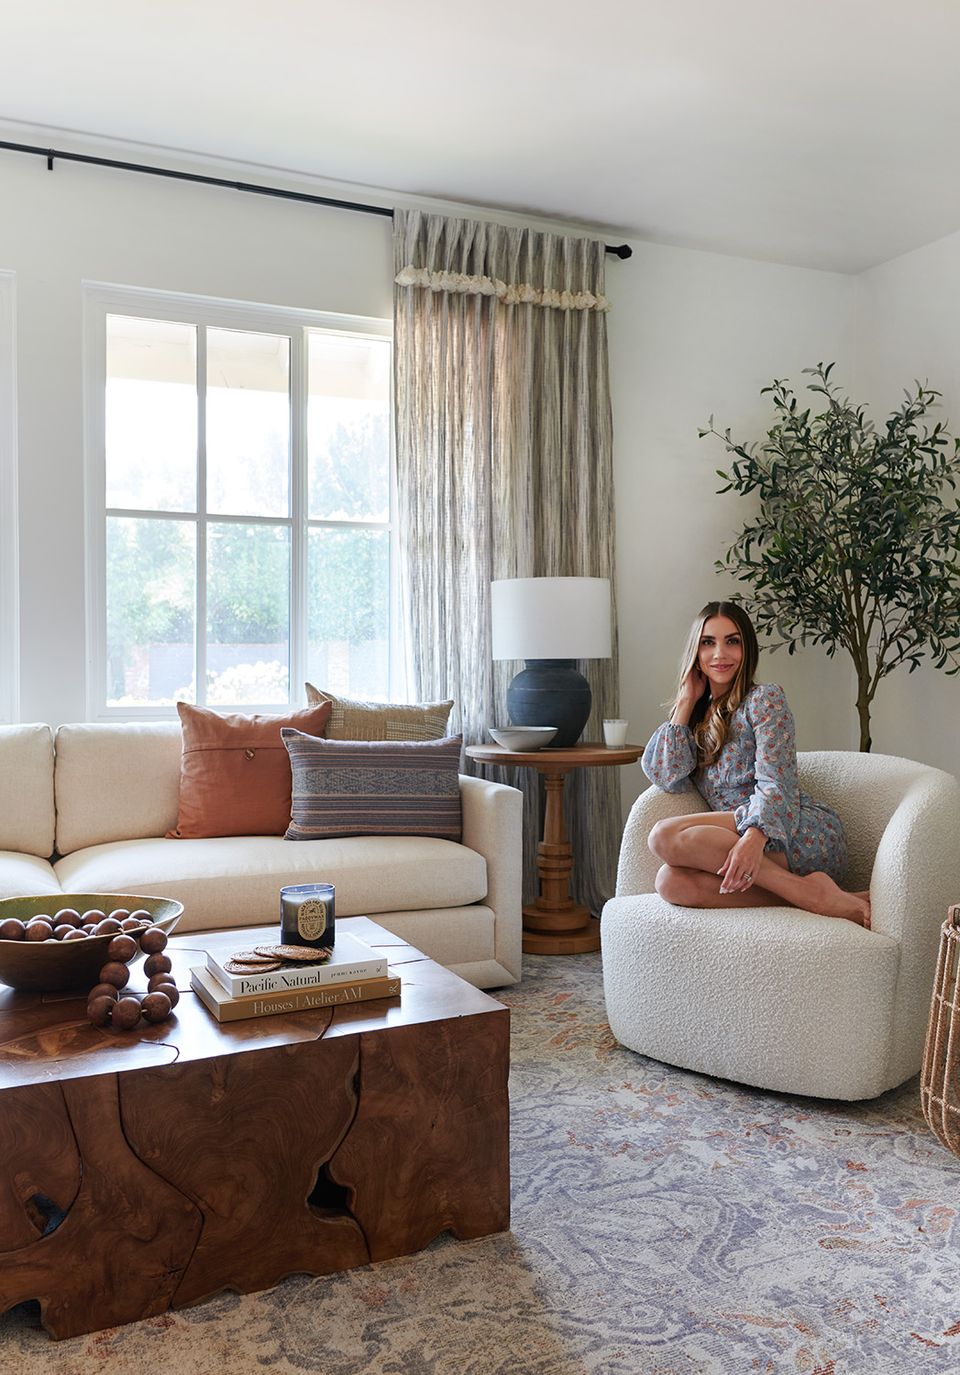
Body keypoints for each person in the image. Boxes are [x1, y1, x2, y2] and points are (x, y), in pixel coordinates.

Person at [642, 600, 871, 927]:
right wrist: (685, 700)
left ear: (746, 648)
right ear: (696, 651)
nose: (720, 653)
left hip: (792, 833)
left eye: (731, 641)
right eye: (708, 642)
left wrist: (754, 836)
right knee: (670, 883)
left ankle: (811, 894)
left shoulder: (764, 699)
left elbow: (776, 782)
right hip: (739, 846)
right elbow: (665, 776)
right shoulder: (695, 720)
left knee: (663, 836)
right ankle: (811, 894)